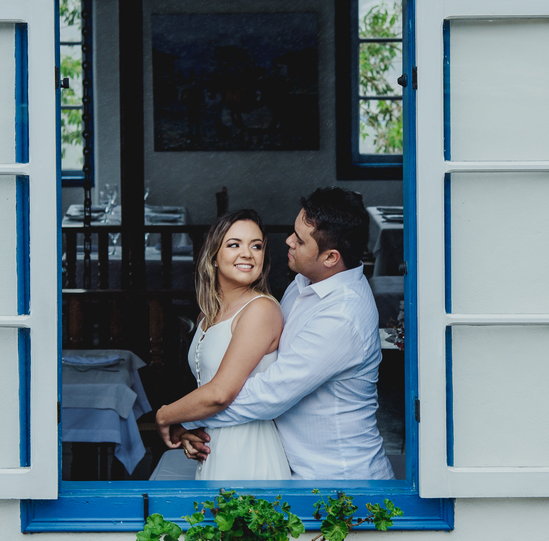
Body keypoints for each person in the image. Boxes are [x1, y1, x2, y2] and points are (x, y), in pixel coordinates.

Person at [157, 187, 394, 480]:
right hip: (288, 464)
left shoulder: (343, 315)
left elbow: (268, 394)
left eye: (300, 239)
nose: (288, 241)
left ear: (331, 257)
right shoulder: (303, 283)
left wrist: (179, 417)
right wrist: (193, 421)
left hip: (337, 479)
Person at [154, 209, 292, 480]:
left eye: (256, 246)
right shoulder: (208, 314)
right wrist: (186, 430)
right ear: (214, 256)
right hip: (213, 449)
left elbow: (220, 393)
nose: (247, 254)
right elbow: (205, 388)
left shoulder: (260, 309)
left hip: (249, 452)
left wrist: (165, 415)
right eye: (234, 245)